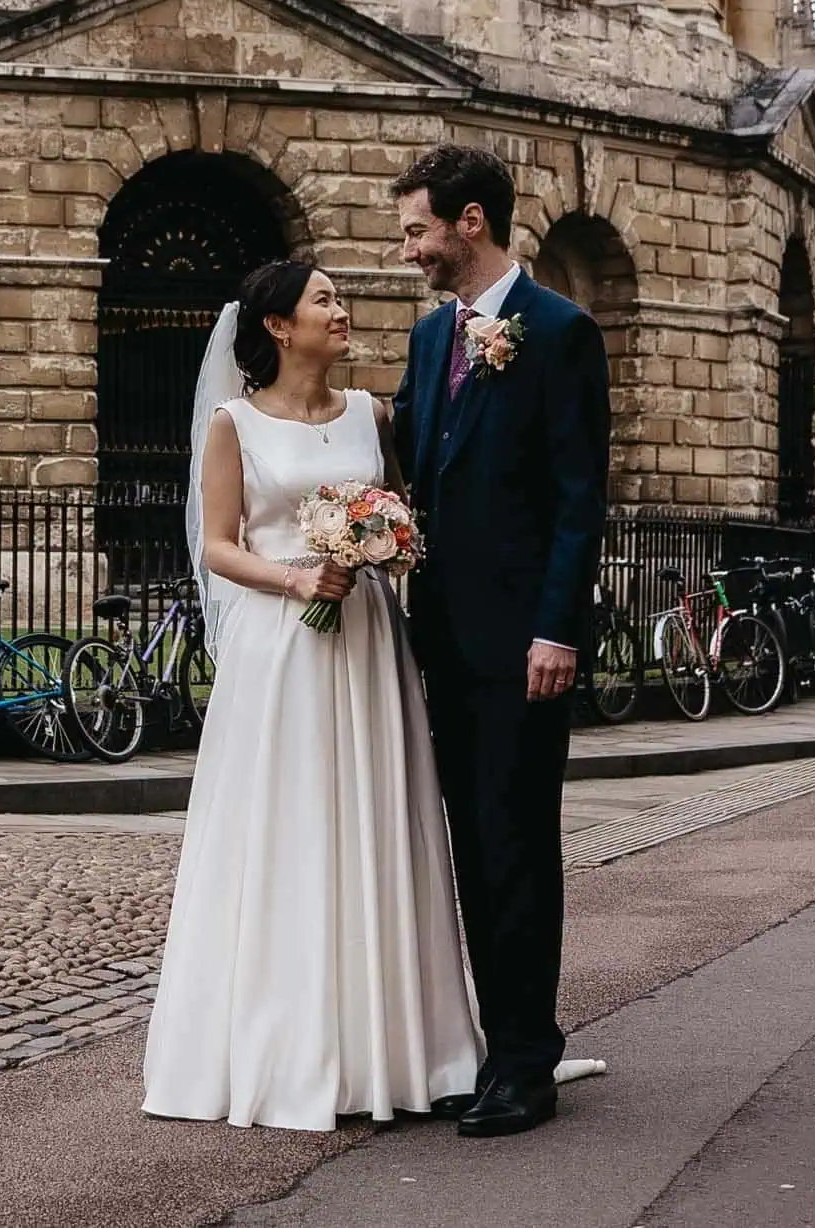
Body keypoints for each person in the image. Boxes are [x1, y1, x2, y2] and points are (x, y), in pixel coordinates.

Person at [142, 253, 482, 1131]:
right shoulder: (233, 425)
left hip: (367, 641)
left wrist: (383, 545)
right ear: (278, 327)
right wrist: (297, 580)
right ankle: (289, 1046)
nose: (342, 310)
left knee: (376, 821)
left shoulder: (374, 414)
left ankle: (397, 1046)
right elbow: (217, 545)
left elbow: (406, 518)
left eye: (340, 298)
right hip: (280, 648)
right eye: (324, 300)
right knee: (286, 827)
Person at [392, 144, 610, 1140]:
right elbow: (424, 476)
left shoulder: (560, 332)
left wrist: (555, 628)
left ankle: (529, 1062)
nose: (408, 251)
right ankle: (494, 1044)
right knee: (473, 852)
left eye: (416, 231)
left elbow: (577, 499)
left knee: (518, 845)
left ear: (468, 222)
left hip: (525, 647)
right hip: (443, 641)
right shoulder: (431, 340)